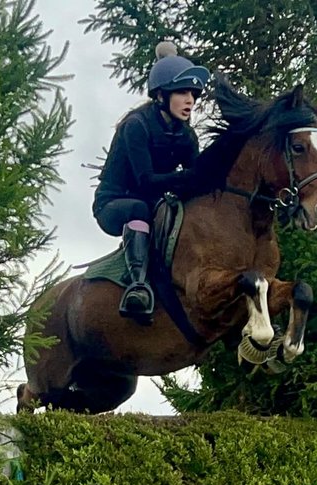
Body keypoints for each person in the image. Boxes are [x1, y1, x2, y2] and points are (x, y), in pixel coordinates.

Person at [93, 42, 210, 323]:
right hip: (114, 205)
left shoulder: (186, 135)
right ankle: (138, 286)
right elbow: (145, 182)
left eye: (193, 94)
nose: (190, 101)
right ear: (161, 95)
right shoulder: (136, 125)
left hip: (153, 203)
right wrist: (188, 178)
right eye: (182, 93)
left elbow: (196, 181)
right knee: (141, 208)